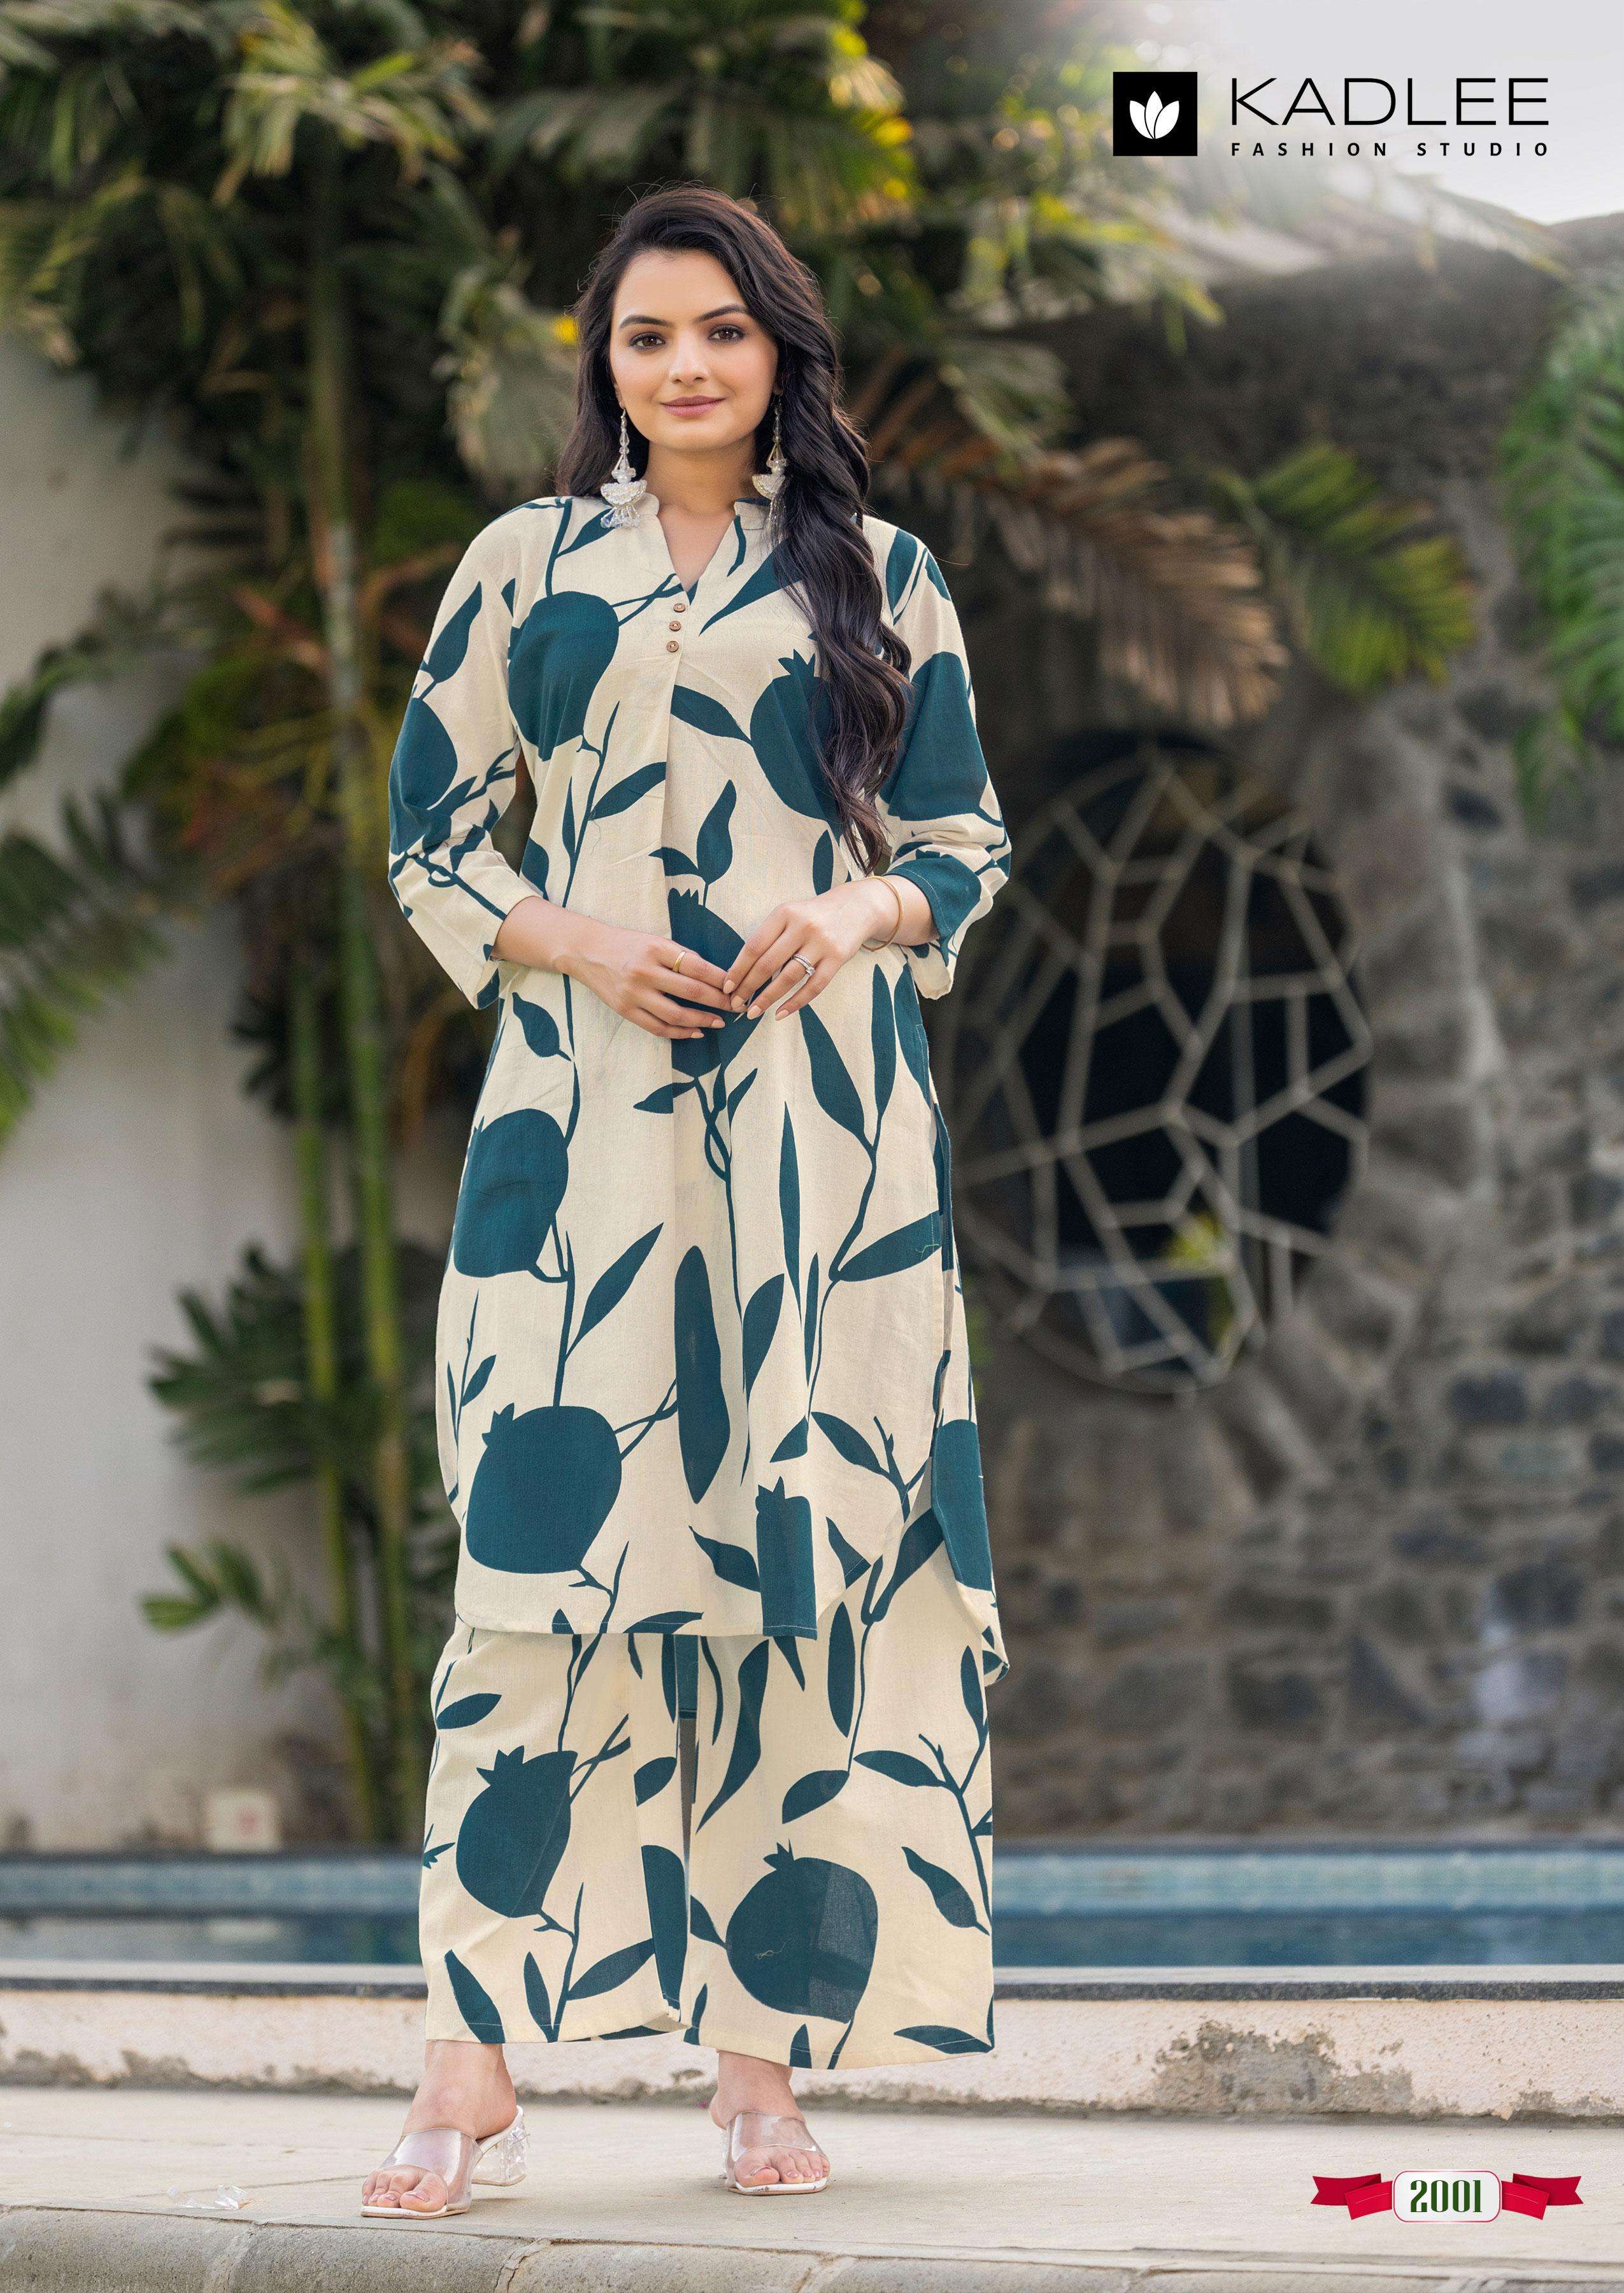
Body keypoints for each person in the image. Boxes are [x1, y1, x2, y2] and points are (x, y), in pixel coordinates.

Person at [362, 181, 1011, 2217]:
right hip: (581, 1136)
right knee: (538, 1578)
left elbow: (964, 844)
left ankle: (757, 2068)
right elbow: (430, 839)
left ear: (777, 348)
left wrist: (857, 911)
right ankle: (469, 2058)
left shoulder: (882, 576)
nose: (685, 364)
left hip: (823, 1142)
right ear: (610, 365)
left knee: (793, 1567)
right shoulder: (524, 565)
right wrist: (578, 943)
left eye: (721, 328)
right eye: (647, 335)